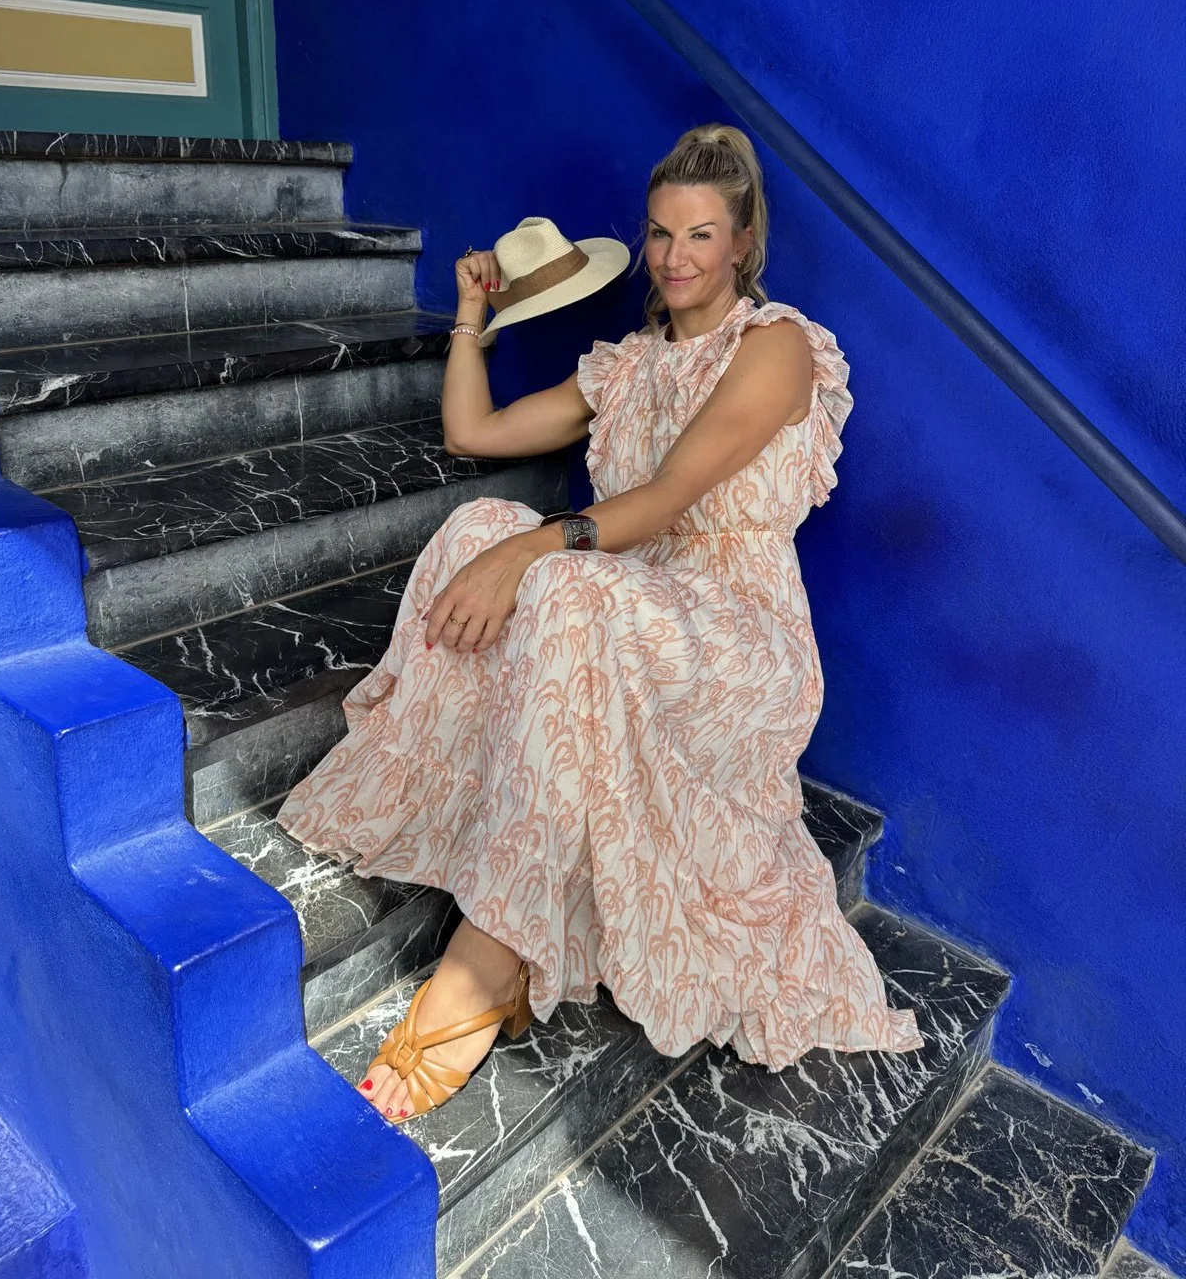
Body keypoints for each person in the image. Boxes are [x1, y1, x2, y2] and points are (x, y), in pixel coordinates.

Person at [275, 123, 925, 1123]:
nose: (674, 256)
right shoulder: (624, 367)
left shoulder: (778, 348)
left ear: (743, 244)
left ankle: (491, 953)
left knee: (559, 578)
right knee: (476, 527)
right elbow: (472, 432)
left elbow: (667, 497)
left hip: (735, 632)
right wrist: (472, 316)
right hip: (624, 599)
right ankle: (485, 842)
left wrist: (534, 553)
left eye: (700, 235)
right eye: (660, 233)